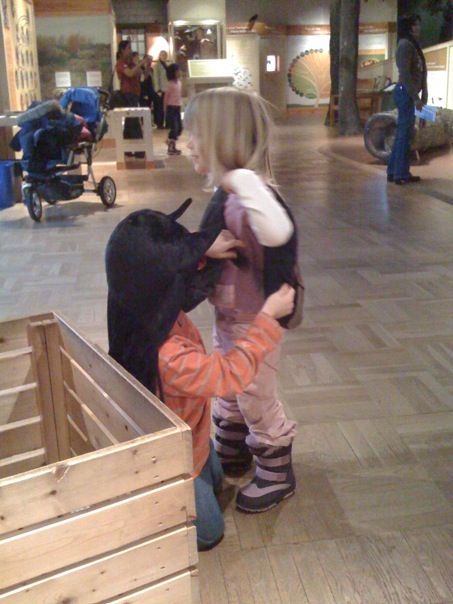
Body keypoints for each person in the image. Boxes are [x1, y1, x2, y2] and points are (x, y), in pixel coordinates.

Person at [105, 202, 295, 551]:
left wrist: (202, 244)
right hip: (174, 457)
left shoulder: (135, 305)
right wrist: (267, 319)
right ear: (166, 286)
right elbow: (231, 374)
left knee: (217, 480)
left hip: (193, 433)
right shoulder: (168, 357)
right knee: (209, 532)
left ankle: (199, 468)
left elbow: (154, 259)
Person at [184, 87, 299, 514]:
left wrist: (241, 179)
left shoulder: (252, 193)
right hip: (231, 313)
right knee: (228, 384)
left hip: (257, 318)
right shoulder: (231, 196)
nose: (186, 143)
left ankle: (276, 470)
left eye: (194, 133)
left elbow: (279, 232)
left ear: (222, 138)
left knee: (253, 392)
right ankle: (232, 449)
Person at [387, 13, 427, 185]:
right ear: (408, 27)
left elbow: (421, 74)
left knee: (404, 134)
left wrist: (424, 95)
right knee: (404, 134)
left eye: (418, 24)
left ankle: (394, 171)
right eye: (415, 24)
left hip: (409, 93)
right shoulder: (405, 45)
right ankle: (400, 173)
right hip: (405, 94)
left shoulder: (412, 45)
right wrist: (416, 97)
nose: (418, 27)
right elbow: (405, 74)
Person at [116, 42, 151, 156]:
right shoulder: (121, 63)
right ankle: (140, 150)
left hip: (135, 94)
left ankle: (127, 150)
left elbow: (143, 76)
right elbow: (130, 74)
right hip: (128, 95)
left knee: (129, 121)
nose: (130, 51)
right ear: (122, 50)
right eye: (128, 48)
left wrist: (148, 65)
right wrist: (140, 63)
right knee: (134, 120)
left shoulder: (131, 64)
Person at [164, 63, 183, 156]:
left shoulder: (179, 83)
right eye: (177, 71)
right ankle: (171, 147)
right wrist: (164, 109)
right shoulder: (170, 84)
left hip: (177, 107)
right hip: (171, 107)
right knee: (174, 128)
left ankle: (170, 141)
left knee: (179, 128)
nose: (179, 73)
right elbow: (166, 97)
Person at [153, 50, 169, 129]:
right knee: (160, 108)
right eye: (163, 55)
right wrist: (158, 90)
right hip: (161, 90)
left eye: (165, 55)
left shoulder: (166, 65)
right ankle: (160, 124)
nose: (164, 57)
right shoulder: (157, 66)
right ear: (159, 56)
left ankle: (167, 123)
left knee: (166, 107)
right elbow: (156, 78)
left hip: (167, 89)